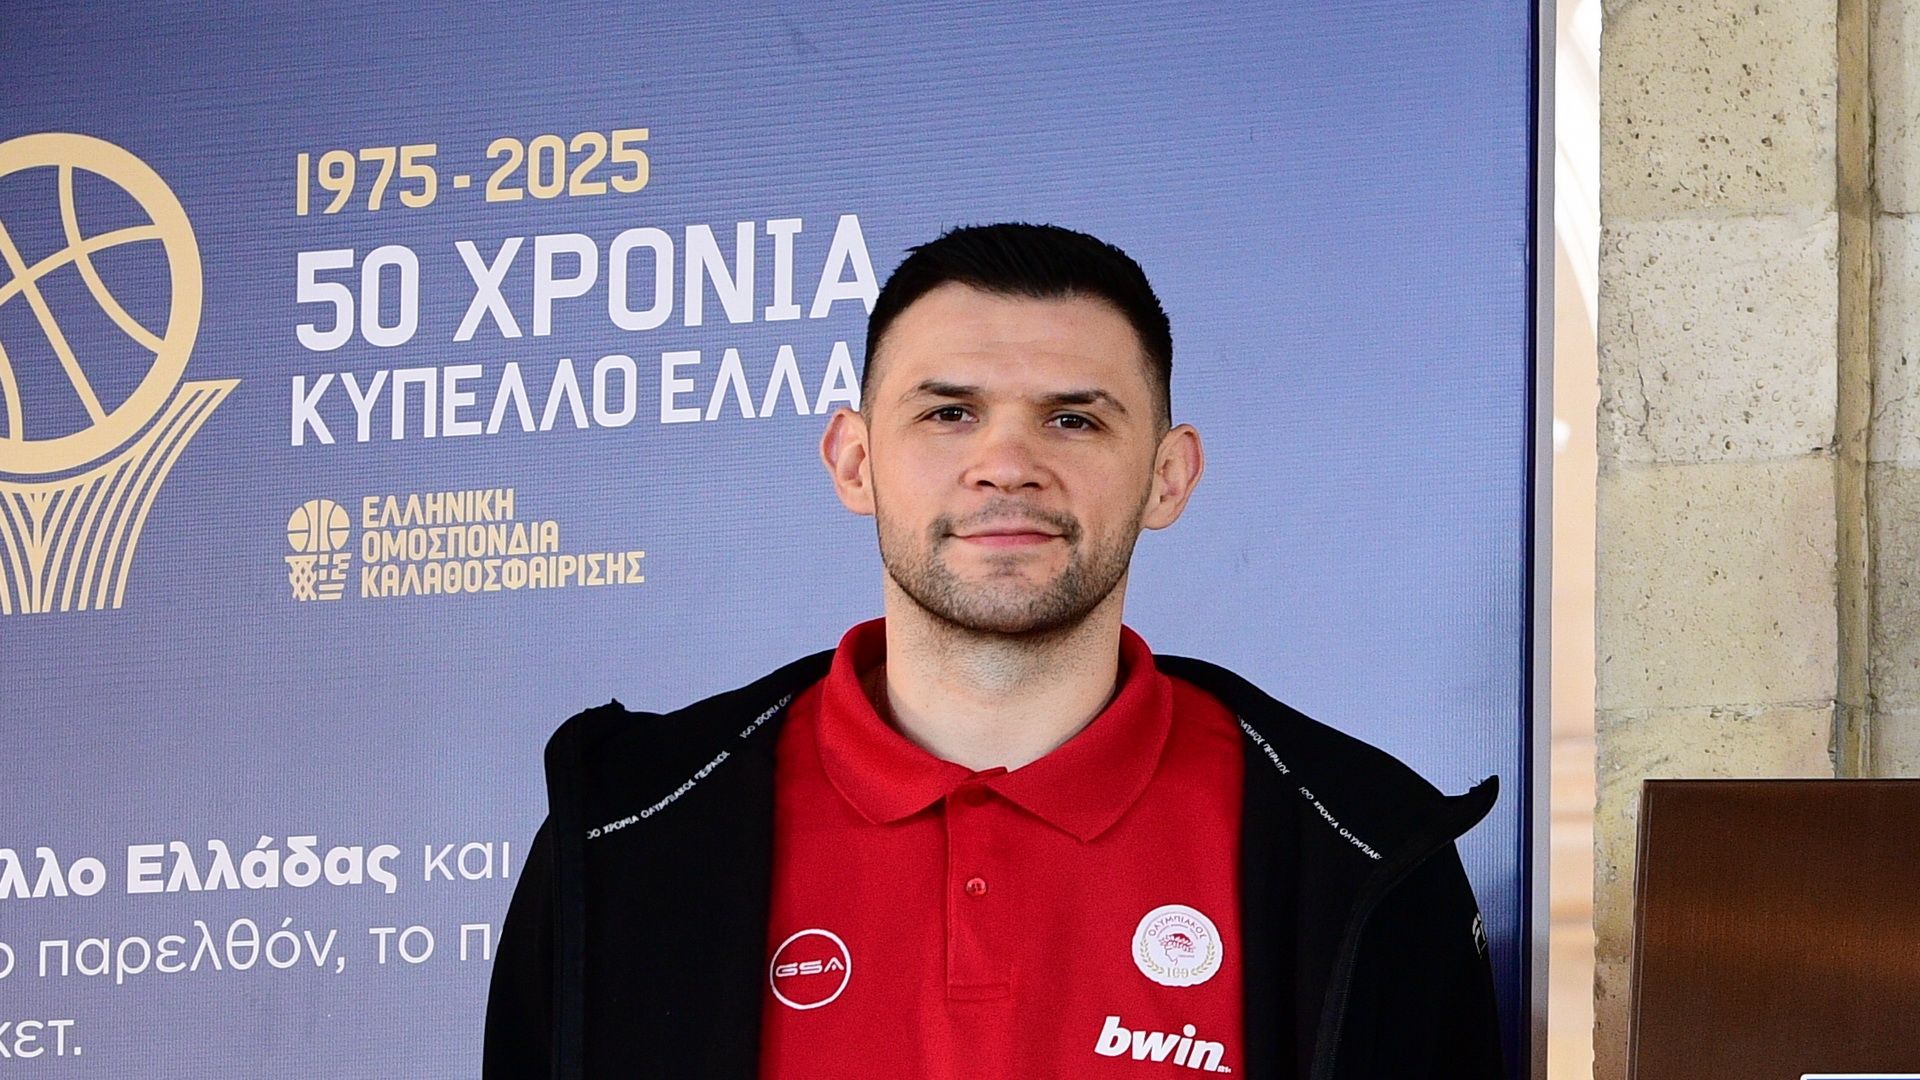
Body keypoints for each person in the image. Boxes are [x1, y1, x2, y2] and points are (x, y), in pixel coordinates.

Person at [483, 223, 1504, 1079]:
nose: (1007, 465)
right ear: (854, 460)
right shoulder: (624, 834)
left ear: (1168, 477)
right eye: (948, 413)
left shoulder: (1360, 844)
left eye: (1074, 419)